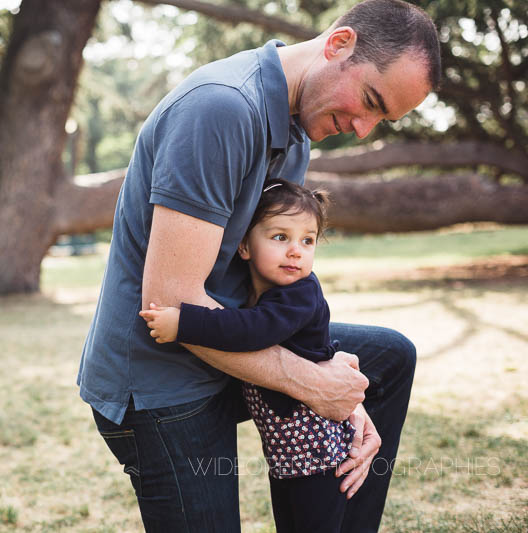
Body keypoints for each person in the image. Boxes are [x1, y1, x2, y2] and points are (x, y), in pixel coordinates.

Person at [77, 0, 441, 530]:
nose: (362, 130)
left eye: (380, 120)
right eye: (369, 101)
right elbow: (168, 304)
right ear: (338, 44)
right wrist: (314, 385)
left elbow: (264, 287)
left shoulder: (294, 126)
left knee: (387, 360)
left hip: (224, 343)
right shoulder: (222, 109)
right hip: (161, 380)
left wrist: (345, 397)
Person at [140, 179, 353, 533]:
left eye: (308, 240)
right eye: (280, 237)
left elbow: (251, 331)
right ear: (244, 246)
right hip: (285, 455)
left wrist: (185, 324)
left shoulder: (301, 294)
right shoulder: (263, 290)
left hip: (317, 455)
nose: (296, 251)